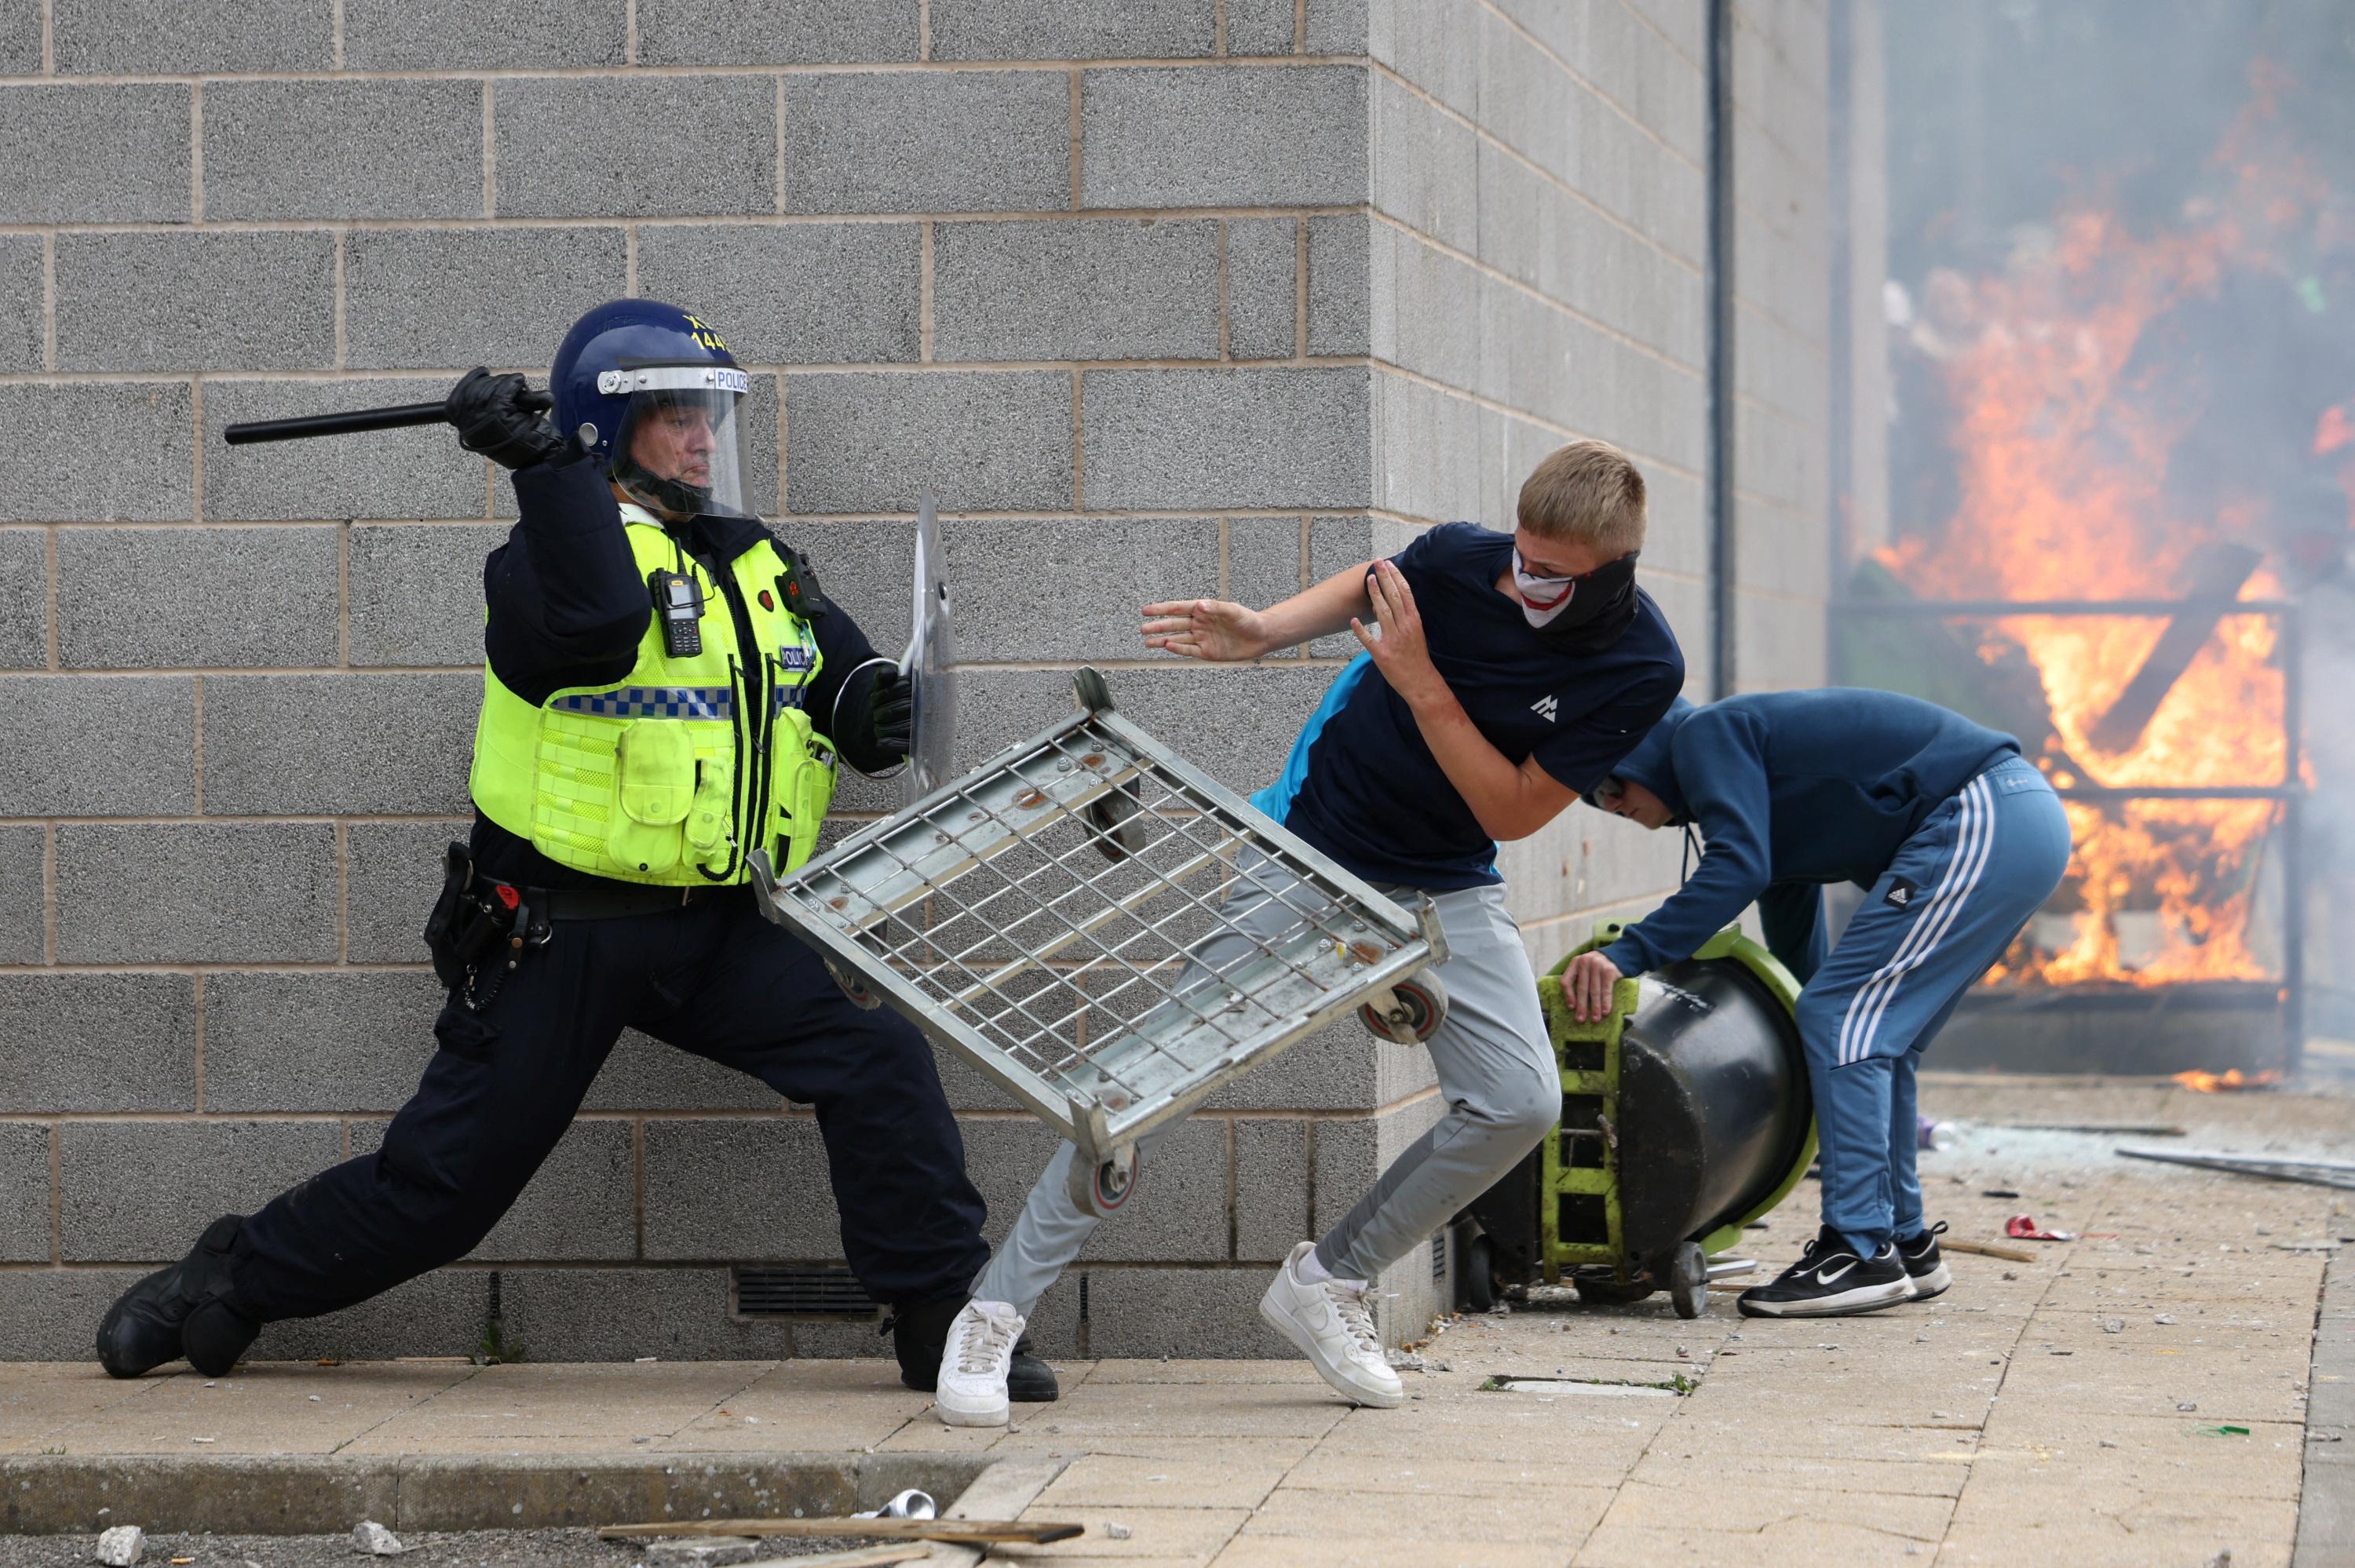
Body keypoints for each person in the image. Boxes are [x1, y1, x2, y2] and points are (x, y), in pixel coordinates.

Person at [93, 299, 1053, 1404]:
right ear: (607, 429)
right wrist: (541, 468)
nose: (703, 437)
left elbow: (835, 681)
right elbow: (594, 624)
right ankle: (229, 1277)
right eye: (676, 415)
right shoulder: (540, 566)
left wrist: (874, 707)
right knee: (444, 1189)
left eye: (712, 415)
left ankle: (938, 1326)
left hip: (713, 927)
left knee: (878, 1059)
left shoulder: (756, 561)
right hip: (560, 930)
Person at [926, 439, 1686, 1425]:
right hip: (1312, 844)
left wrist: (1418, 683)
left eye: (1550, 573)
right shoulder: (1467, 559)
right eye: (1519, 555)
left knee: (1519, 1100)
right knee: (1148, 1081)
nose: (1522, 578)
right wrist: (1264, 631)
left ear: (1613, 571)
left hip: (1448, 875)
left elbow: (1507, 808)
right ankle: (992, 1314)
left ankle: (1329, 1281)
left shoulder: (1641, 665)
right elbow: (1373, 584)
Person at [1566, 689, 2072, 1318]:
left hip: (1984, 813)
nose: (1612, 805)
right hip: (2014, 823)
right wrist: (1817, 1027)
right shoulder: (1753, 792)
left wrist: (1627, 954)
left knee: (1849, 1022)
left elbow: (1737, 870)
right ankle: (1903, 1240)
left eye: (1611, 783)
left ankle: (1858, 1251)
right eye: (1593, 800)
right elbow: (1791, 922)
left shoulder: (1707, 734)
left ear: (1641, 750)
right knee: (1874, 1037)